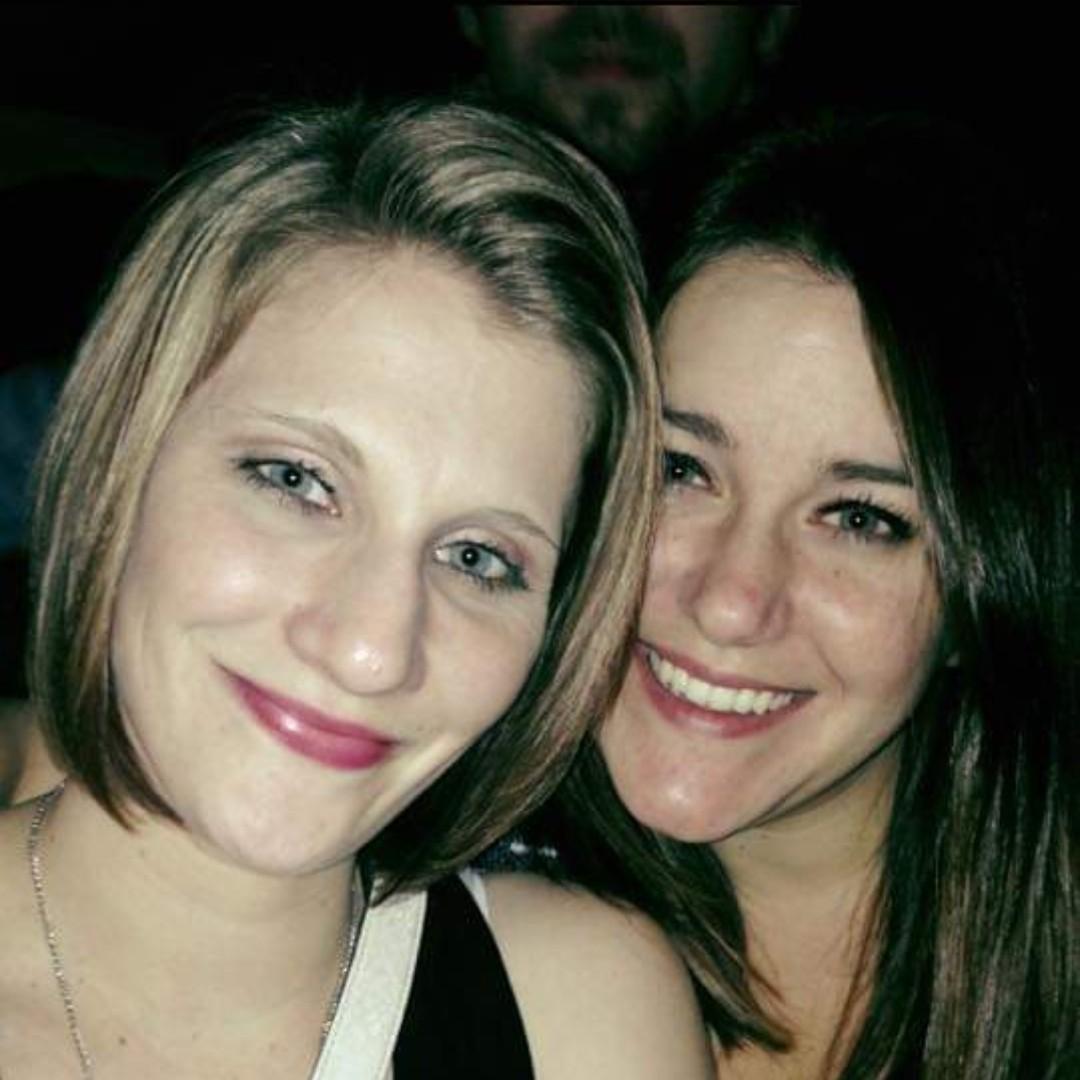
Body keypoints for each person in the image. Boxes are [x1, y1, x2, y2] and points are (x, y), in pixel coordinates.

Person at [0, 99, 713, 1079]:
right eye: (297, 481)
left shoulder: (582, 1018)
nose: (373, 647)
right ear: (121, 457)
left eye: (477, 558)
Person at [535, 114, 1078, 1077]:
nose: (731, 602)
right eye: (680, 468)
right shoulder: (415, 942)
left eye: (861, 519)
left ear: (983, 587)